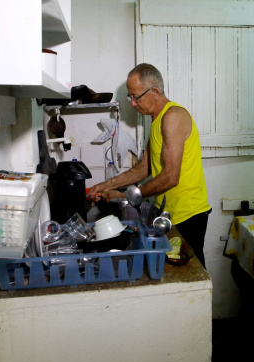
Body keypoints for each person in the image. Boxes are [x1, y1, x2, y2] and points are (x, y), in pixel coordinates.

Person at [87, 63, 212, 268]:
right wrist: (106, 186)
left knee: (191, 276)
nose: (133, 104)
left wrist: (127, 195)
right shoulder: (157, 121)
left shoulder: (173, 117)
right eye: (131, 97)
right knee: (174, 273)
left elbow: (171, 176)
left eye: (136, 96)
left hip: (188, 215)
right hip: (170, 214)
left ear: (154, 91)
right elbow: (144, 168)